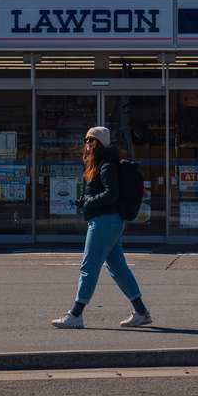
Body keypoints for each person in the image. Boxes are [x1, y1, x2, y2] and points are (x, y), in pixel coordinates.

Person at [51, 126, 153, 329]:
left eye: (91, 141)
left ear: (99, 144)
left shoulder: (106, 165)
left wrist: (89, 202)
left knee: (88, 267)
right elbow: (99, 191)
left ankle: (76, 314)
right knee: (118, 268)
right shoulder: (99, 164)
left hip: (104, 221)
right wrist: (84, 200)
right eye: (86, 140)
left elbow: (111, 194)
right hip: (109, 221)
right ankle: (141, 311)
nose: (87, 144)